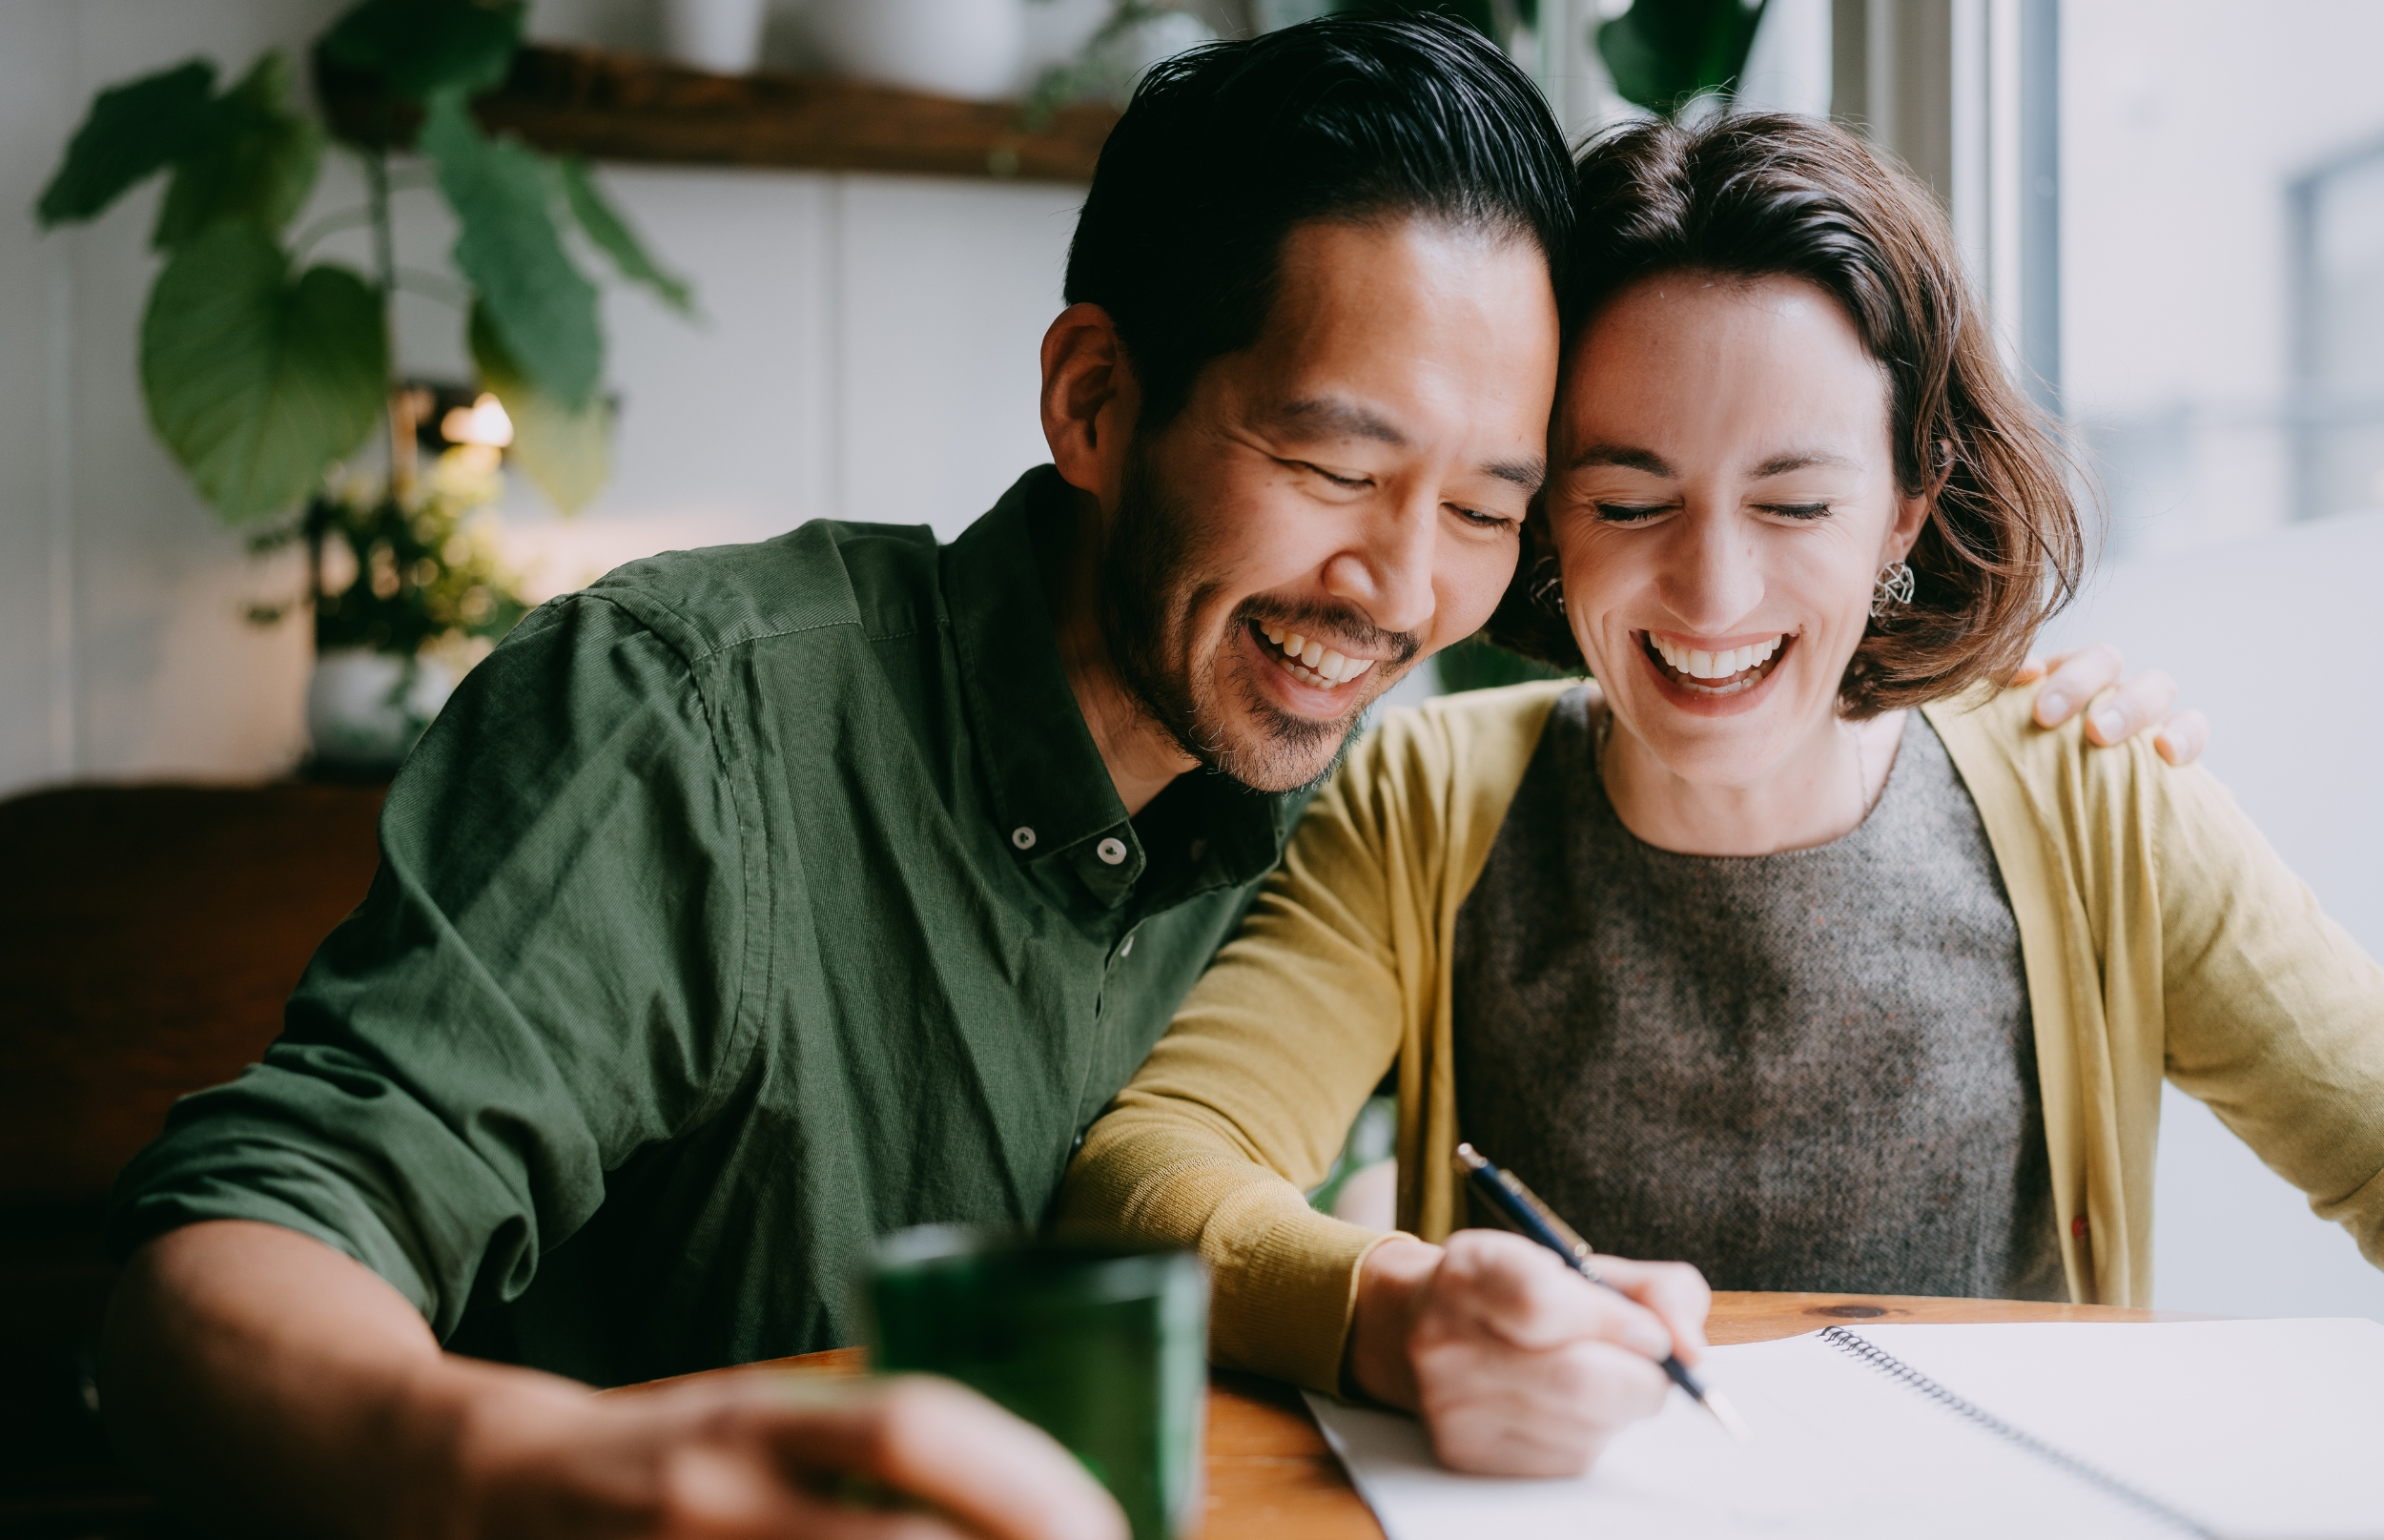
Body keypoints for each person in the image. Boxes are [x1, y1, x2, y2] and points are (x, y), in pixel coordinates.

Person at [99, 20, 2189, 1534]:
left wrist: (2031, 727)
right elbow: (240, 1253)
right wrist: (536, 1469)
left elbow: (1737, 660)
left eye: (1486, 504)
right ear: (1095, 398)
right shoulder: (693, 716)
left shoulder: (1392, 803)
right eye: (1328, 465)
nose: (1398, 586)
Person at [1056, 111, 2384, 1483]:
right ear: (1548, 521)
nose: (1713, 596)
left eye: (1796, 504)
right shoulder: (1423, 801)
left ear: (1907, 512)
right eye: (1630, 502)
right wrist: (1397, 1306)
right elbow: (1150, 1173)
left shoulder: (2096, 798)